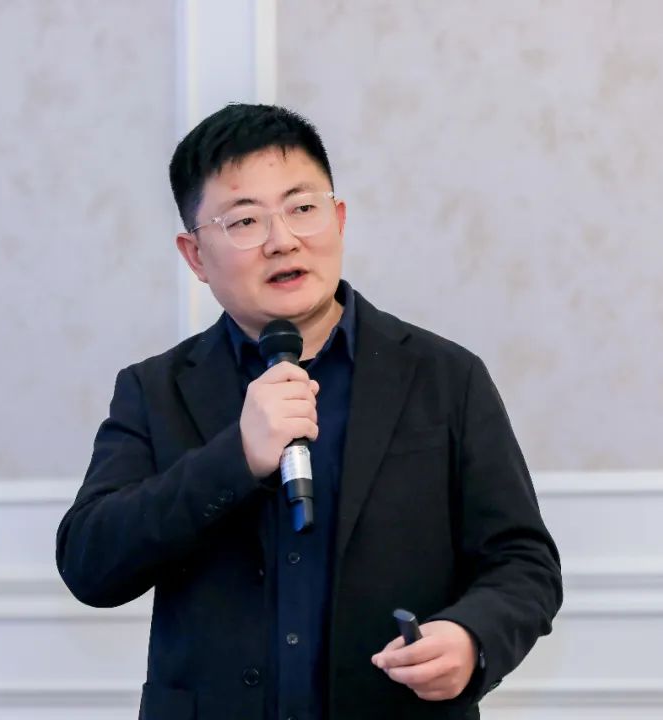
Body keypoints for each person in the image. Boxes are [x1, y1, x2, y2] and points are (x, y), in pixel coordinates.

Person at [56, 103, 562, 720]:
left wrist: (471, 637)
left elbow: (524, 562)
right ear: (195, 256)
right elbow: (90, 563)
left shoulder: (443, 376)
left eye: (302, 208)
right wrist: (236, 458)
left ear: (338, 219)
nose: (282, 240)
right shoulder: (155, 389)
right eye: (245, 220)